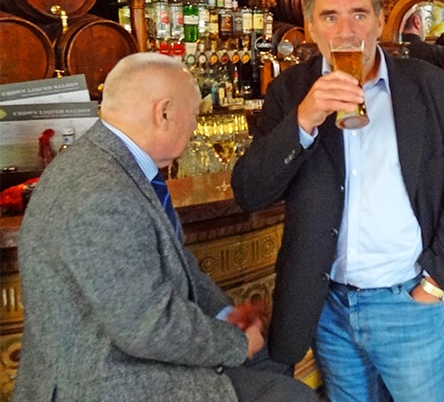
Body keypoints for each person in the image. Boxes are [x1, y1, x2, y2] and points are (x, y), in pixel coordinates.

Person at [231, 0, 444, 402]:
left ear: (381, 20)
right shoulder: (290, 92)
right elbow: (251, 192)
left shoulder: (430, 87)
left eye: (359, 15)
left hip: (409, 303)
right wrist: (305, 121)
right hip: (329, 307)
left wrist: (434, 281)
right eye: (330, 16)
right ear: (310, 26)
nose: (347, 31)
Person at [15, 53, 316, 402]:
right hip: (105, 380)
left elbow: (176, 261)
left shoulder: (111, 161)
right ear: (164, 113)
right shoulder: (99, 193)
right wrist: (234, 342)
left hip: (128, 360)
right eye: (195, 114)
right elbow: (146, 327)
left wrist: (227, 315)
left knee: (273, 362)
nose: (195, 127)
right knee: (290, 397)